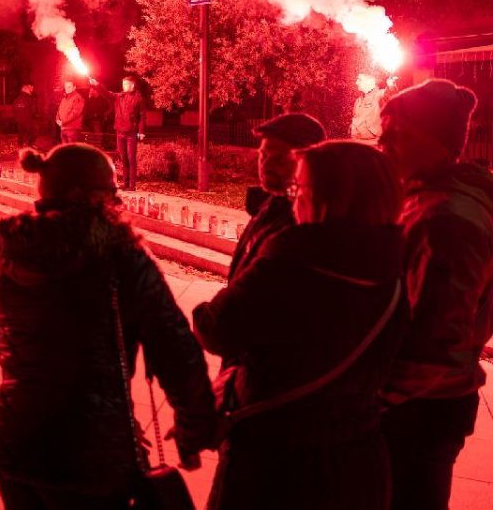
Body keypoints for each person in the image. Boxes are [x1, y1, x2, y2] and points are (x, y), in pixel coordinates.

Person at [0, 144, 214, 507]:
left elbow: (6, 341)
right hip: (88, 451)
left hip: (16, 439)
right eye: (112, 192)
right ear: (83, 195)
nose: (119, 201)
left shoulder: (15, 249)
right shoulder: (120, 251)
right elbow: (173, 344)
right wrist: (195, 424)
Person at [192, 141, 408, 510]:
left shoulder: (292, 260)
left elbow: (216, 328)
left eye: (300, 188)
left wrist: (203, 311)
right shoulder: (395, 269)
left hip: (278, 462)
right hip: (359, 457)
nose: (293, 199)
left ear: (329, 197)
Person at [377, 79, 493, 510]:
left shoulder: (447, 220)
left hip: (417, 411)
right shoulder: (435, 196)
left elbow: (435, 346)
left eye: (395, 134)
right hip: (422, 407)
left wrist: (366, 403)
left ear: (432, 139)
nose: (382, 143)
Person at [229, 113, 326, 282]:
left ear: (308, 163)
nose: (266, 165)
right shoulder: (270, 204)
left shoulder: (305, 224)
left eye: (279, 159)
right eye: (263, 155)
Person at [91, 76, 146, 191]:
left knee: (131, 159)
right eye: (123, 84)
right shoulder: (119, 96)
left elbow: (142, 116)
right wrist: (97, 85)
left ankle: (132, 185)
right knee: (123, 158)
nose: (124, 86)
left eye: (126, 84)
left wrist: (141, 131)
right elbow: (106, 93)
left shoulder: (138, 98)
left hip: (131, 133)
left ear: (132, 85)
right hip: (119, 132)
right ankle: (125, 183)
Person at [351, 73, 398, 144]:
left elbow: (391, 95)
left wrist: (391, 85)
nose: (356, 82)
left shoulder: (379, 95)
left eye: (359, 79)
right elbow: (355, 121)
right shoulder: (358, 101)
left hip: (374, 144)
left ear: (370, 81)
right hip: (358, 143)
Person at [54, 80, 85, 144]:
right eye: (66, 87)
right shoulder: (64, 98)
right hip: (63, 128)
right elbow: (59, 110)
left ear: (74, 87)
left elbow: (75, 113)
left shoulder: (78, 98)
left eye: (69, 87)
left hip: (72, 129)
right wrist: (57, 119)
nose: (67, 89)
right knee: (65, 150)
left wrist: (63, 121)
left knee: (71, 150)